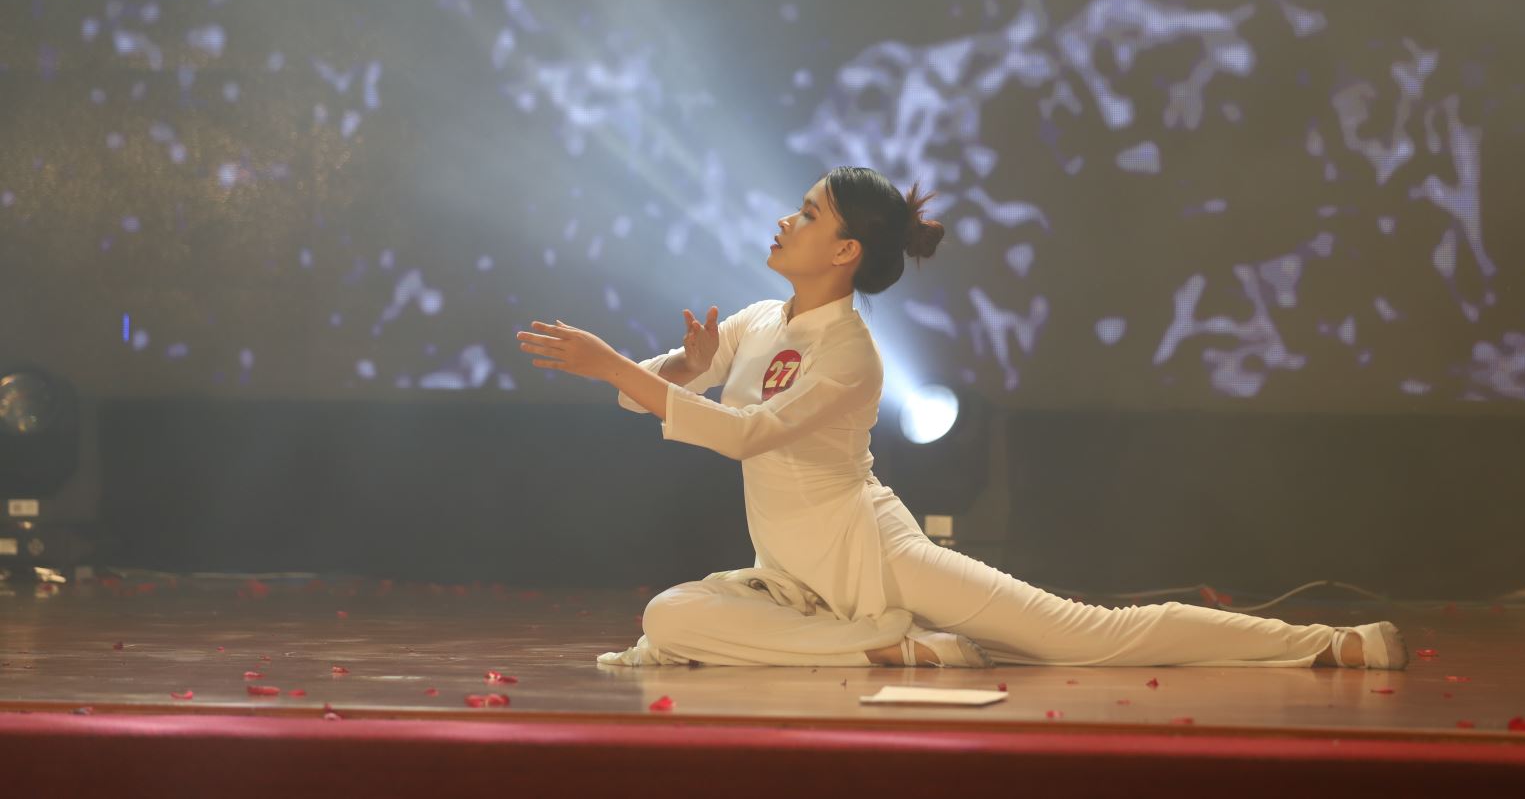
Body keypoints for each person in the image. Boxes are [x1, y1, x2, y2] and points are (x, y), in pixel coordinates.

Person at [515, 166, 1407, 671]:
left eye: (809, 213)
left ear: (845, 249)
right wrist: (682, 366)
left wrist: (611, 361)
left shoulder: (850, 352)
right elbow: (652, 395)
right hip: (793, 577)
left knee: (1086, 637)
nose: (788, 218)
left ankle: (1331, 644)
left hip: (872, 553)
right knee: (670, 618)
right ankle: (896, 650)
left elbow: (745, 434)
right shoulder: (756, 320)